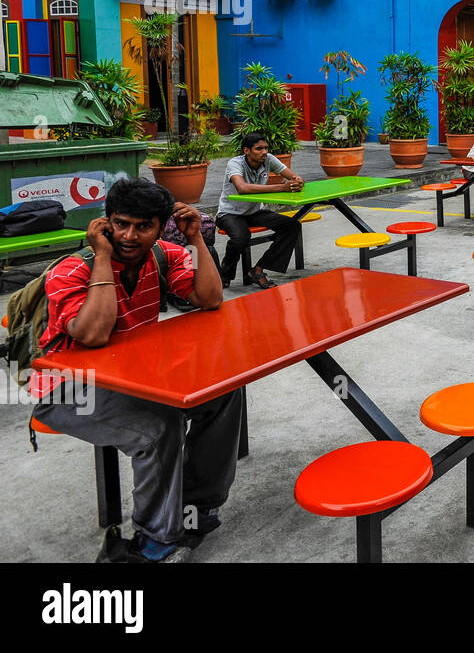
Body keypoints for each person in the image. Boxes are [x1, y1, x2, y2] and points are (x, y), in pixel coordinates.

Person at [33, 178, 238, 563]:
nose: (129, 235)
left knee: (224, 388)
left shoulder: (166, 254)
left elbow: (210, 299)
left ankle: (197, 506)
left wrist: (197, 241)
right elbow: (93, 334)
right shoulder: (71, 270)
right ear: (106, 222)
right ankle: (155, 539)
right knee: (158, 428)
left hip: (136, 376)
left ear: (161, 228)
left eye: (143, 227)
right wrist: (102, 258)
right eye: (121, 223)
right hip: (67, 390)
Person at [216, 132, 304, 289]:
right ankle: (225, 274)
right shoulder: (235, 164)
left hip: (254, 211)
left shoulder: (268, 159)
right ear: (246, 151)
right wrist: (282, 187)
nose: (264, 152)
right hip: (230, 213)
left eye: (266, 148)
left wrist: (297, 181)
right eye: (259, 149)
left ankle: (257, 270)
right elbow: (242, 188)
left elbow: (293, 176)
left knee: (292, 226)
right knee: (240, 238)